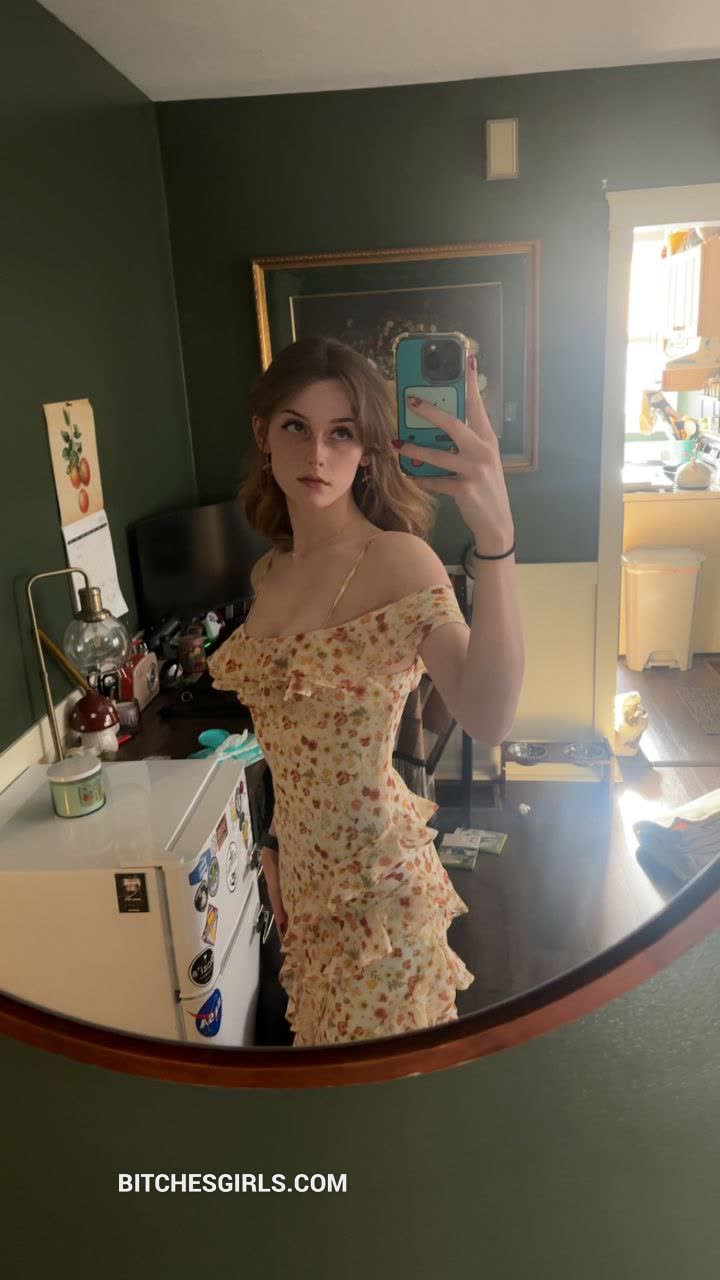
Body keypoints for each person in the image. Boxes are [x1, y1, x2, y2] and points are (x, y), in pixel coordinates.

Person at [208, 337, 524, 1046]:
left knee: (384, 1093)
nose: (317, 455)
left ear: (368, 448)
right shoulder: (268, 575)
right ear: (263, 433)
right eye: (296, 426)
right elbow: (287, 746)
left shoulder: (398, 560)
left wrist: (496, 537)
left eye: (342, 433)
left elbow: (489, 715)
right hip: (303, 890)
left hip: (383, 897)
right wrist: (272, 848)